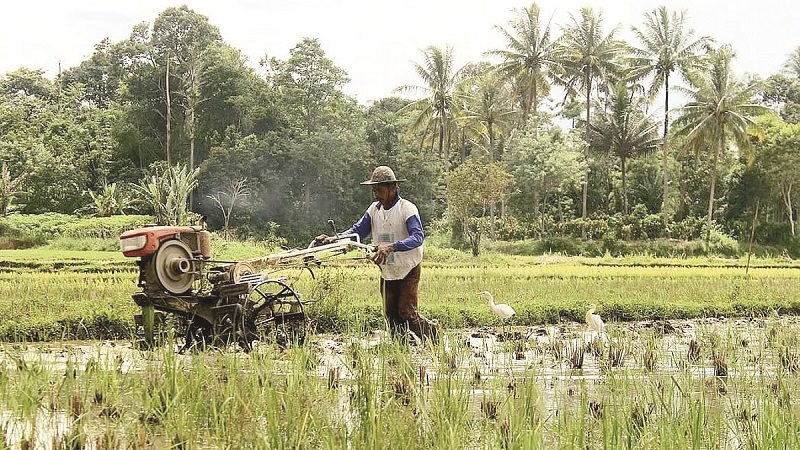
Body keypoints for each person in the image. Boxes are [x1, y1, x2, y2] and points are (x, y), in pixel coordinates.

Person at [316, 166, 439, 343]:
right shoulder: (374, 210)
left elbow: (418, 237)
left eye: (379, 190)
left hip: (408, 268)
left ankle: (435, 337)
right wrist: (335, 238)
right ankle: (400, 348)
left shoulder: (407, 208)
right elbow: (358, 231)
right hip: (387, 269)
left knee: (406, 312)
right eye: (374, 190)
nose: (376, 195)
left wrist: (392, 247)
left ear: (392, 188)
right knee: (390, 313)